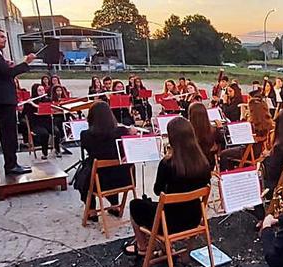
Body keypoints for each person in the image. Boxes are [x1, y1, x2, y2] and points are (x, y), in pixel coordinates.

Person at [125, 117, 212, 257]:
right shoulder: (203, 162)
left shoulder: (168, 164)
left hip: (170, 222)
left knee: (135, 205)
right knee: (158, 206)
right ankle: (168, 248)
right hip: (194, 218)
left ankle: (143, 247)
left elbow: (157, 191)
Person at [0, 28, 36, 175]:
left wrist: (8, 65)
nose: (4, 39)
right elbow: (7, 73)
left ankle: (12, 163)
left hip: (3, 99)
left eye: (5, 37)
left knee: (10, 133)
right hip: (3, 100)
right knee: (9, 134)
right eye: (1, 37)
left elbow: (3, 71)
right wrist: (26, 62)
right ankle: (11, 165)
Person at [76, 101, 135, 215]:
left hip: (100, 180)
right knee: (113, 167)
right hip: (123, 179)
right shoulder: (122, 131)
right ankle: (115, 206)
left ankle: (92, 210)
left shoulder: (85, 135)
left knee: (83, 175)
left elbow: (88, 150)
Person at [20, 84, 55, 159]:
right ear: (35, 91)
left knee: (57, 131)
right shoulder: (29, 103)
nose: (42, 92)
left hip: (47, 122)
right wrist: (27, 105)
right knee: (45, 134)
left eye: (43, 90)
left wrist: (33, 104)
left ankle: (57, 150)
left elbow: (44, 108)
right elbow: (23, 115)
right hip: (36, 124)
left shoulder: (47, 99)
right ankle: (44, 153)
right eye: (39, 90)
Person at [188, 102, 221, 171]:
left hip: (192, 166)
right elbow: (219, 144)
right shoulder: (213, 130)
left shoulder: (187, 131)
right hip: (209, 164)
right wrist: (220, 128)